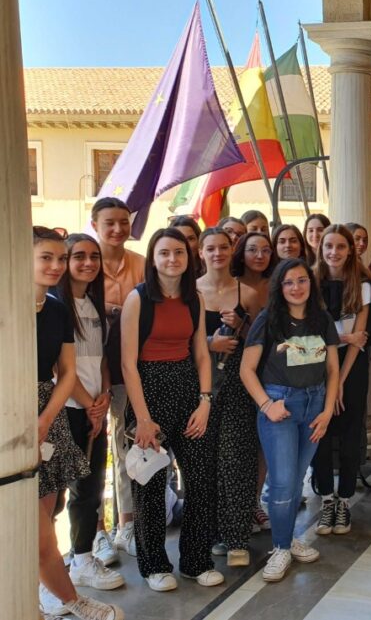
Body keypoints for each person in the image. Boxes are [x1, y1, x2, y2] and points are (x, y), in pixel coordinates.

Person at [120, 227, 220, 591]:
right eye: (164, 253)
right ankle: (154, 566)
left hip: (188, 389)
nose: (172, 260)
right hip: (147, 391)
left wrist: (205, 402)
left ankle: (196, 560)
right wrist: (143, 419)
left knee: (202, 480)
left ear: (189, 257)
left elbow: (201, 353)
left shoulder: (195, 299)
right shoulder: (138, 300)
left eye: (178, 252)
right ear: (153, 258)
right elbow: (129, 364)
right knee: (150, 484)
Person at [35, 227, 126, 620]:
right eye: (49, 258)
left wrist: (99, 397)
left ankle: (75, 568)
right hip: (47, 410)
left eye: (62, 258)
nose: (61, 266)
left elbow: (81, 366)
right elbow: (60, 372)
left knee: (77, 491)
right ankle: (54, 588)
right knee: (43, 509)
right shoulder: (44, 302)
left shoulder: (77, 306)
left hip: (68, 407)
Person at [239, 259, 342, 582]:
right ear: (279, 288)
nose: (296, 287)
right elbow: (246, 369)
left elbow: (333, 370)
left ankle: (287, 539)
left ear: (311, 284)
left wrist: (326, 411)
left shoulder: (321, 319)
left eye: (302, 281)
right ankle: (281, 547)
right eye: (289, 283)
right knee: (282, 483)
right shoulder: (269, 320)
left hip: (314, 406)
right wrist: (266, 405)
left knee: (295, 481)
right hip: (279, 406)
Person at [197, 229, 262, 567]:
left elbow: (260, 342)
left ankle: (236, 536)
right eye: (211, 248)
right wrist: (210, 342)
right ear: (201, 251)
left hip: (237, 385)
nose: (218, 253)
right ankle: (209, 533)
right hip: (201, 386)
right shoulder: (189, 292)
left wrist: (242, 325)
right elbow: (180, 340)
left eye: (224, 247)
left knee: (236, 459)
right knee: (204, 462)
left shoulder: (247, 293)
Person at [91, 197, 145, 561]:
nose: (117, 229)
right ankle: (95, 531)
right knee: (91, 452)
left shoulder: (141, 264)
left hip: (131, 368)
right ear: (94, 223)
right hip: (88, 370)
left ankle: (127, 523)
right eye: (109, 222)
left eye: (123, 222)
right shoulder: (83, 260)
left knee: (126, 446)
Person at [312, 225, 371, 536]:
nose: (333, 252)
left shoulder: (362, 284)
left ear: (351, 250)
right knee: (319, 435)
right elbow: (308, 336)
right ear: (320, 248)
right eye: (328, 246)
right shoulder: (310, 281)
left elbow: (358, 340)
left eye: (340, 246)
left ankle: (344, 499)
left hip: (351, 368)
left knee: (350, 434)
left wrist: (339, 384)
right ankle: (325, 498)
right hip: (314, 368)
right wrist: (341, 337)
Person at [232, 231, 277, 313]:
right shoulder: (231, 286)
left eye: (266, 250)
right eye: (252, 250)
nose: (260, 256)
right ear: (241, 255)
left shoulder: (277, 285)